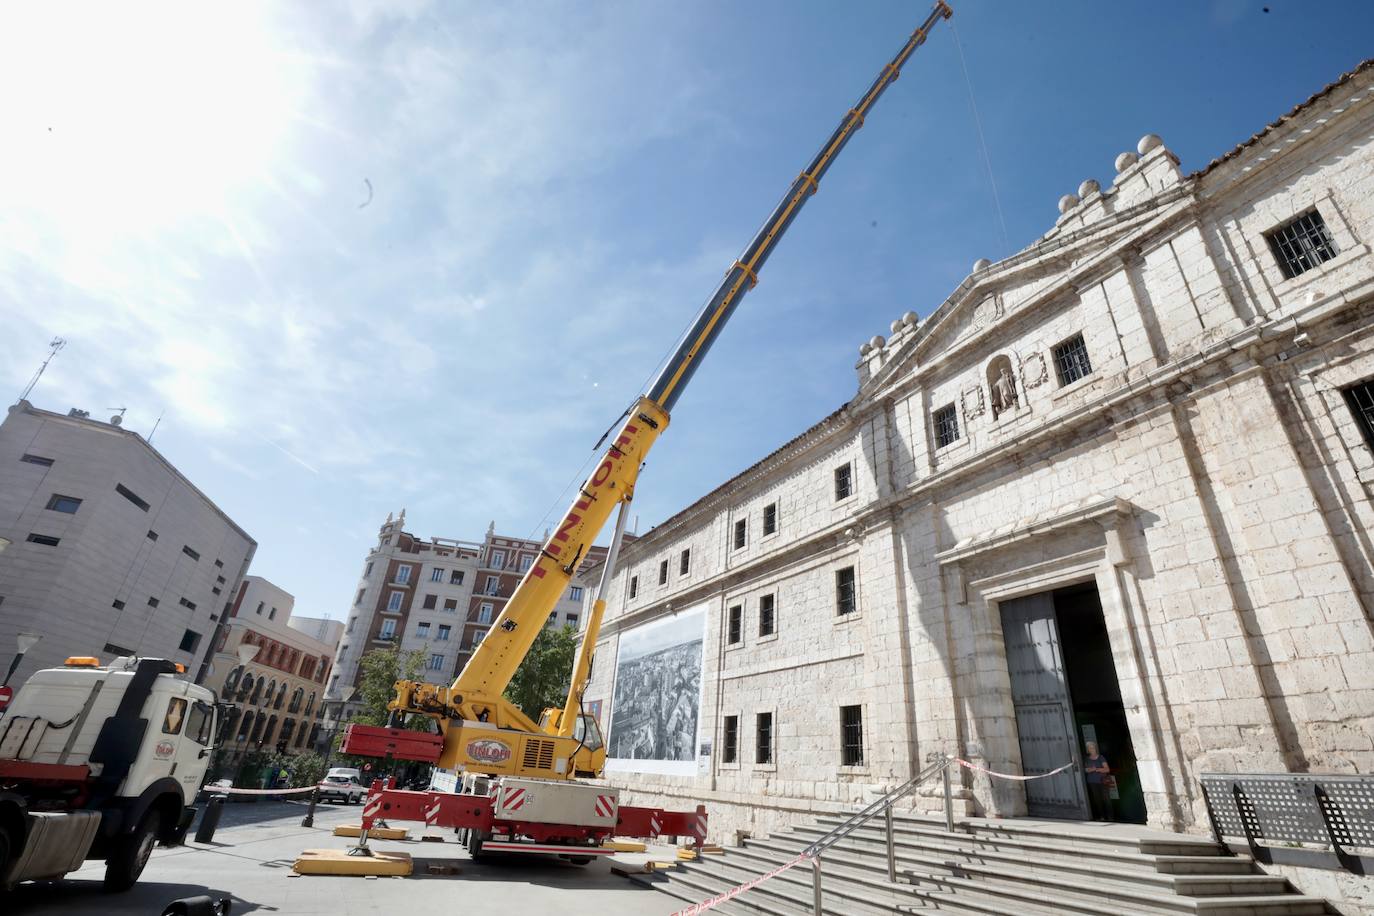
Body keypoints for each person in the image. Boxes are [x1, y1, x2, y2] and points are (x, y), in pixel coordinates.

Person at [1083, 740, 1112, 821]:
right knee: (1097, 800)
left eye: (1092, 747)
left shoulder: (1101, 757)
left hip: (1102, 781)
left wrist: (1097, 769)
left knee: (1106, 799)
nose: (1091, 749)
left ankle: (1110, 817)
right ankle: (1101, 817)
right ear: (1088, 750)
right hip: (1092, 782)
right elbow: (1085, 770)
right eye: (1089, 748)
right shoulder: (1087, 759)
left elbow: (1107, 769)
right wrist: (1090, 770)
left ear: (1095, 748)